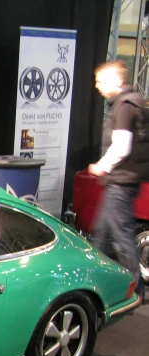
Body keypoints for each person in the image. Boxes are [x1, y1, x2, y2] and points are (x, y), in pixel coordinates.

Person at [88, 60, 147, 301]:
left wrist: (101, 167)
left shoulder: (124, 106)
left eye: (101, 81)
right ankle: (93, 281)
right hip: (121, 182)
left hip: (121, 183)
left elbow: (122, 147)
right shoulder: (130, 103)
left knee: (122, 239)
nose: (97, 86)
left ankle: (138, 291)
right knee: (100, 235)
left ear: (117, 81)